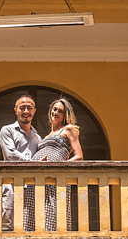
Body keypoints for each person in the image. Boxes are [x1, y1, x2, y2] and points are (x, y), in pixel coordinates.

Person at [32, 97, 83, 232]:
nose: (55, 113)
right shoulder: (47, 135)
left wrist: (59, 166)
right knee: (36, 213)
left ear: (65, 114)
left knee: (53, 211)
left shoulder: (68, 129)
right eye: (54, 109)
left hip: (55, 177)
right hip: (38, 179)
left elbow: (79, 156)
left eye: (60, 111)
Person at [0, 94, 41, 231]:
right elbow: (10, 154)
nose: (26, 111)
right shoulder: (7, 130)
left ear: (34, 111)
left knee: (30, 225)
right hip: (11, 184)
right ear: (15, 110)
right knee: (8, 225)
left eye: (29, 108)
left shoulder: (37, 137)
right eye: (22, 108)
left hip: (32, 187)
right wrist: (32, 162)